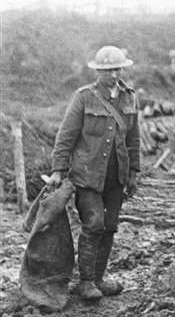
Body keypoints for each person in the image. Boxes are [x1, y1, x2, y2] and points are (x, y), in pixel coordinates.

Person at [48, 45, 139, 301]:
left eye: (117, 69)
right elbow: (66, 135)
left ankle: (98, 278)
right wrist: (58, 169)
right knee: (94, 224)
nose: (113, 74)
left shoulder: (129, 97)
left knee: (109, 226)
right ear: (98, 71)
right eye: (108, 70)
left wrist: (134, 172)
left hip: (116, 176)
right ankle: (86, 281)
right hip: (87, 175)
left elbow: (134, 138)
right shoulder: (84, 97)